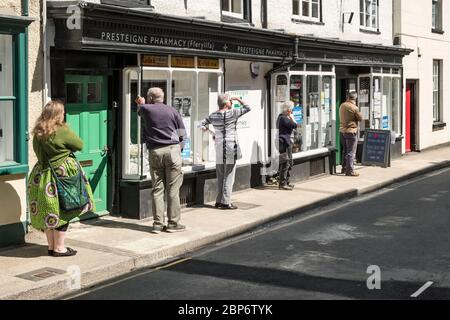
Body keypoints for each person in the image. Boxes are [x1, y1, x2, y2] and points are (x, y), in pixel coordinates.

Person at [27, 100, 95, 257]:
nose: (64, 114)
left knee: (50, 211)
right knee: (65, 209)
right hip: (61, 173)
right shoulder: (60, 130)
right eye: (62, 112)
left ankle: (51, 247)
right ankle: (59, 248)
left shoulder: (38, 132)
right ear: (58, 114)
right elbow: (80, 145)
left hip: (42, 175)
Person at [135, 87, 187, 233]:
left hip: (155, 151)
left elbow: (140, 110)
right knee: (173, 190)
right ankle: (173, 224)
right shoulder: (172, 111)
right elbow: (182, 133)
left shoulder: (146, 109)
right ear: (162, 98)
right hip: (173, 150)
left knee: (157, 189)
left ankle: (157, 224)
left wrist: (141, 102)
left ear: (150, 98)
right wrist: (179, 150)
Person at [199, 94, 251, 210]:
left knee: (221, 174)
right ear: (227, 103)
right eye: (230, 102)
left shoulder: (213, 115)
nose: (231, 103)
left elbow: (200, 124)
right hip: (230, 145)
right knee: (229, 175)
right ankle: (226, 202)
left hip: (219, 146)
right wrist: (238, 99)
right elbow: (248, 108)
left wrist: (213, 134)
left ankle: (219, 201)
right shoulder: (233, 113)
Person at [339, 91, 363, 176]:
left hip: (342, 131)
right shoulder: (354, 108)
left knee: (345, 151)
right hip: (351, 132)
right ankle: (350, 171)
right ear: (355, 98)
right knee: (351, 152)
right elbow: (360, 118)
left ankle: (344, 168)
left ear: (348, 97)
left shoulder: (342, 105)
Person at [277, 101, 297, 190]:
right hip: (284, 142)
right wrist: (292, 118)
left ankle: (286, 182)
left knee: (289, 162)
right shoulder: (284, 118)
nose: (291, 112)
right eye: (291, 110)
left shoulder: (281, 117)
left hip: (285, 141)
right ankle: (282, 184)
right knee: (285, 162)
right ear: (288, 110)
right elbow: (294, 125)